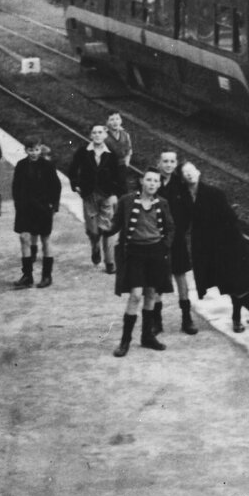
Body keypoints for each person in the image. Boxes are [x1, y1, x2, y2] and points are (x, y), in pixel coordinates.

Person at [186, 161, 249, 333]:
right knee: (234, 283)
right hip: (210, 247)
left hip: (228, 244)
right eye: (186, 173)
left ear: (198, 173)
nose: (189, 175)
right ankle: (242, 318)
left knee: (236, 284)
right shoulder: (187, 195)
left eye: (192, 171)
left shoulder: (214, 193)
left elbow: (230, 218)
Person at [111, 167, 175, 357]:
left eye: (156, 181)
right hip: (135, 253)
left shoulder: (162, 203)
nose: (152, 184)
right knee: (135, 295)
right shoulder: (127, 200)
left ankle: (147, 336)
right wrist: (105, 228)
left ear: (159, 184)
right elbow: (115, 224)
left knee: (151, 294)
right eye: (149, 180)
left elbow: (171, 228)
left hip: (156, 252)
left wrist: (165, 247)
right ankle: (125, 341)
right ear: (141, 181)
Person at [69, 122, 125, 273]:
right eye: (94, 133)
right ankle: (95, 246)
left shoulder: (112, 153)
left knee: (107, 228)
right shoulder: (83, 152)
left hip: (107, 194)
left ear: (105, 135)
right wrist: (76, 185)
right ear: (90, 135)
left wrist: (115, 194)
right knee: (93, 231)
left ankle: (110, 262)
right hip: (89, 195)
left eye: (100, 132)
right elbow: (73, 169)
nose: (97, 135)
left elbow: (119, 175)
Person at [156, 150, 198, 335]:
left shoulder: (180, 185)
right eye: (165, 161)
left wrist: (180, 230)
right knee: (156, 279)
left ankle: (186, 318)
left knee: (181, 277)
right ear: (159, 163)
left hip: (177, 239)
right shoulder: (152, 181)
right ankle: (155, 321)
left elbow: (189, 210)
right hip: (157, 238)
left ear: (175, 164)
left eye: (172, 161)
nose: (168, 164)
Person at [11, 138, 61, 290]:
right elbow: (15, 187)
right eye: (30, 150)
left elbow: (56, 186)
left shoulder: (47, 165)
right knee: (24, 238)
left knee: (45, 240)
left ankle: (47, 275)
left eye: (37, 149)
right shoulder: (21, 165)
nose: (34, 153)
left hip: (43, 209)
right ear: (26, 150)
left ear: (41, 149)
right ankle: (27, 276)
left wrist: (53, 206)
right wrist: (18, 205)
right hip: (25, 208)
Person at [105, 111, 134, 185]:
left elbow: (129, 150)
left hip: (121, 165)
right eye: (112, 119)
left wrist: (126, 163)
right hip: (108, 167)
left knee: (121, 187)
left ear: (121, 121)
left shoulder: (125, 134)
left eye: (117, 119)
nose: (115, 122)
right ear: (107, 122)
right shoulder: (104, 135)